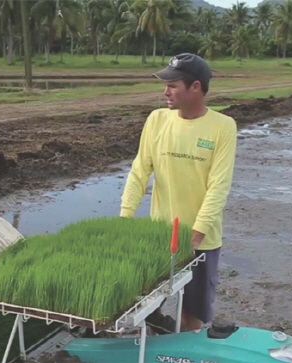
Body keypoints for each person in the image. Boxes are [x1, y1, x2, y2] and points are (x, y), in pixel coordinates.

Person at [120, 53, 237, 330]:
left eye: (173, 85)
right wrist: (124, 218)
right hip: (160, 236)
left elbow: (218, 188)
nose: (165, 91)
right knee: (145, 306)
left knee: (192, 314)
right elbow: (139, 172)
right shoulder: (157, 120)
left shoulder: (223, 127)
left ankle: (185, 353)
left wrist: (195, 236)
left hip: (202, 242)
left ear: (195, 87)